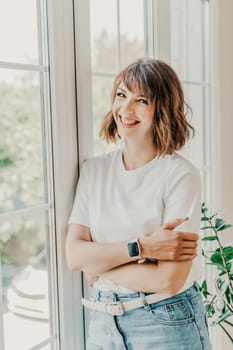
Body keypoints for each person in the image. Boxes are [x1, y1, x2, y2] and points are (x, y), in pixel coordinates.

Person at [65, 57, 212, 350]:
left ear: (163, 109)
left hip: (167, 321)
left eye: (141, 100)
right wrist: (142, 248)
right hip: (103, 322)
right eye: (121, 95)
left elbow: (169, 279)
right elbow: (74, 255)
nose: (125, 109)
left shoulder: (180, 174)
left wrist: (99, 266)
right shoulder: (94, 170)